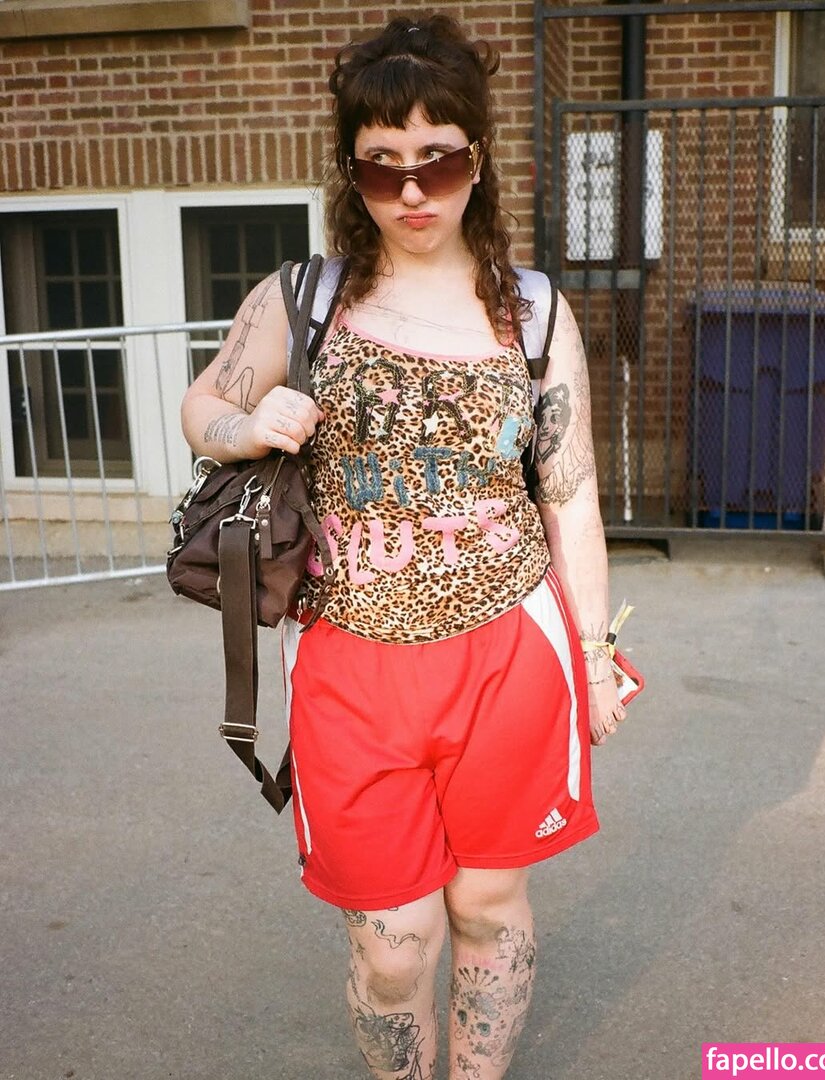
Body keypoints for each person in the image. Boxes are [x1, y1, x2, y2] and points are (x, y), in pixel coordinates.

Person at [181, 14, 624, 1079]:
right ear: (353, 172)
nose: (414, 191)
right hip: (351, 660)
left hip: (509, 652)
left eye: (440, 160)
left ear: (480, 157)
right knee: (394, 944)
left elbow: (570, 494)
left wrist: (597, 657)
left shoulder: (532, 313)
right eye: (383, 167)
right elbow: (202, 407)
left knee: (487, 903)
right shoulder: (304, 299)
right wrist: (249, 423)